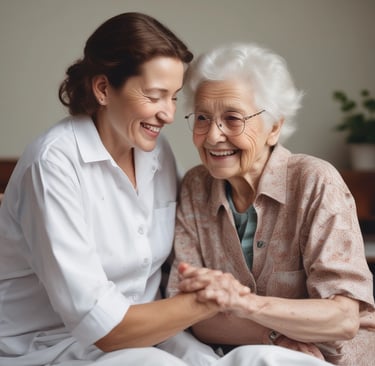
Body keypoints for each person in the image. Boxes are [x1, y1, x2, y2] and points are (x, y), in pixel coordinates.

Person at [0, 12, 332, 366]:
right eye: (155, 96)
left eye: (173, 98)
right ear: (102, 89)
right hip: (57, 346)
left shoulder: (154, 151)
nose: (169, 115)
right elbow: (101, 326)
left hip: (153, 335)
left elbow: (174, 267)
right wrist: (209, 300)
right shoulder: (53, 165)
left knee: (268, 359)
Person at [167, 42, 375, 365]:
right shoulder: (196, 187)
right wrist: (272, 335)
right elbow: (190, 313)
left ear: (274, 127)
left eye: (232, 118)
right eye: (202, 118)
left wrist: (247, 305)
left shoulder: (314, 182)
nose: (211, 136)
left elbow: (343, 318)